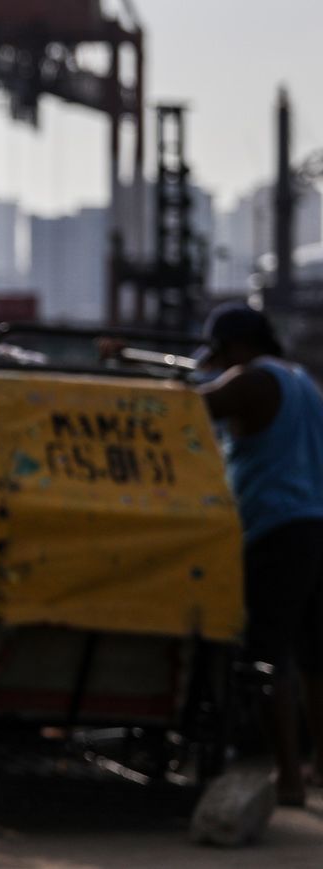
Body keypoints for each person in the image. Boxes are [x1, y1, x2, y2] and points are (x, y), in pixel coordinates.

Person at [195, 301, 323, 805]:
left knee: (267, 658)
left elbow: (192, 406)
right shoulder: (304, 382)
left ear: (234, 348)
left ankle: (288, 778)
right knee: (315, 657)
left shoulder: (249, 380)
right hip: (318, 524)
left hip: (278, 528)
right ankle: (318, 767)